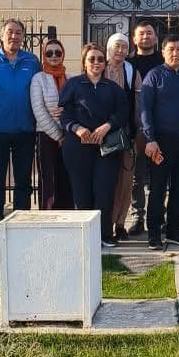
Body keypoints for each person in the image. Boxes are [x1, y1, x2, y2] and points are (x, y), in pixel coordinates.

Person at [0, 19, 41, 244]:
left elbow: (40, 91)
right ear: (1, 36)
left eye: (18, 32)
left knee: (23, 180)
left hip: (26, 130)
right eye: (10, 32)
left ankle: (21, 222)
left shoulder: (31, 61)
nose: (14, 36)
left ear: (23, 37)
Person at [59, 43, 129, 247]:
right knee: (81, 193)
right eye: (91, 59)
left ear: (105, 63)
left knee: (104, 191)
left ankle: (104, 234)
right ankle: (84, 237)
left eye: (100, 59)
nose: (96, 63)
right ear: (84, 62)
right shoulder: (73, 85)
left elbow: (123, 113)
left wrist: (107, 126)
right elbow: (64, 114)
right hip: (78, 146)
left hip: (106, 147)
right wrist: (77, 129)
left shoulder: (113, 88)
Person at [141, 35, 179, 250]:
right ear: (163, 52)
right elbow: (145, 110)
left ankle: (174, 232)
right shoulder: (154, 76)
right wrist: (150, 139)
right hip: (161, 142)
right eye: (171, 49)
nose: (175, 53)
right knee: (158, 189)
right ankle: (154, 234)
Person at [127, 21, 163, 236]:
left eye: (149, 33)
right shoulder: (128, 64)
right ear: (134, 38)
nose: (145, 37)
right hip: (136, 128)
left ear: (156, 38)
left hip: (162, 127)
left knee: (160, 176)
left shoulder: (164, 61)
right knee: (136, 177)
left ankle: (158, 217)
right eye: (141, 33)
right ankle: (137, 216)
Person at [30, 38, 73, 210]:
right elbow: (39, 110)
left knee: (67, 177)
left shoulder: (70, 78)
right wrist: (58, 135)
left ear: (63, 54)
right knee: (49, 179)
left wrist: (67, 113)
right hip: (47, 136)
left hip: (69, 134)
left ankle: (67, 215)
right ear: (44, 56)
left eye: (58, 52)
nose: (54, 56)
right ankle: (48, 215)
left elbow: (77, 105)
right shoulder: (38, 79)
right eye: (49, 53)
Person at [105, 32, 140, 241]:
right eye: (116, 46)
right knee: (106, 181)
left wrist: (136, 131)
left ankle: (120, 224)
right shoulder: (100, 67)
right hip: (102, 135)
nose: (120, 50)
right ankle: (105, 223)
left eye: (124, 47)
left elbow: (139, 103)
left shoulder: (132, 71)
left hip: (126, 134)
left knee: (125, 182)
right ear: (109, 48)